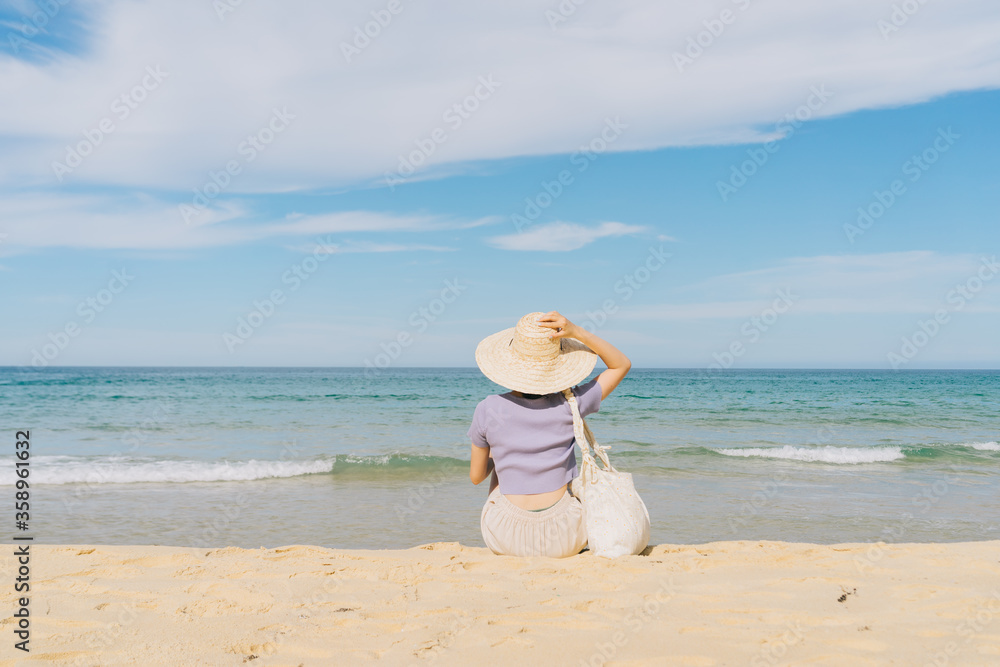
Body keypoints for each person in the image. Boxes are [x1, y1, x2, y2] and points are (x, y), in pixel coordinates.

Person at [467, 310, 631, 557]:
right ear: (558, 362)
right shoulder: (573, 403)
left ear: (511, 363)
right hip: (565, 537)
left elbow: (476, 477)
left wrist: (500, 454)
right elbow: (621, 364)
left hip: (506, 537)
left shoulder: (487, 409)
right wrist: (577, 331)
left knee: (498, 472)